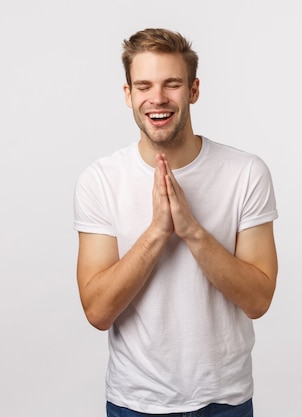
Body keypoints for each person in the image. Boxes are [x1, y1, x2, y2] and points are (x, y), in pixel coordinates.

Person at [73, 28, 278, 417]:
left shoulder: (246, 173)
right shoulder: (100, 180)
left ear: (193, 90)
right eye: (144, 85)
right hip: (136, 403)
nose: (158, 98)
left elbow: (259, 299)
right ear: (128, 95)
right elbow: (98, 312)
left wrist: (193, 233)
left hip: (225, 402)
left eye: (172, 84)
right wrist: (156, 233)